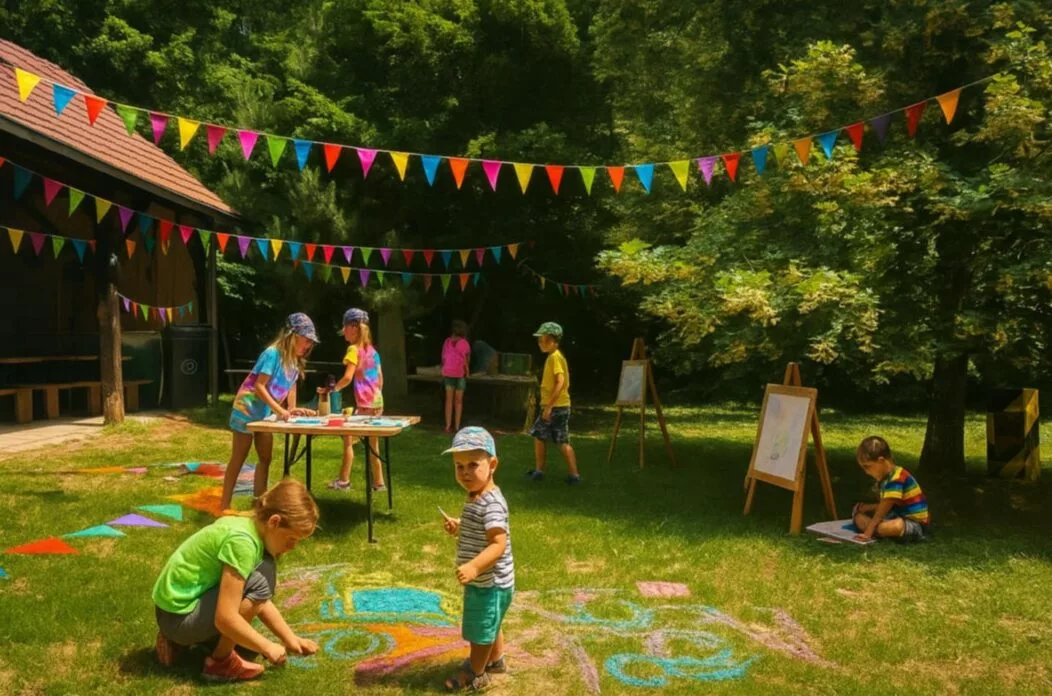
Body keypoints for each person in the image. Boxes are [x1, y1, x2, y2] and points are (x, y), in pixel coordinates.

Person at [153, 479, 321, 681]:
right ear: (274, 522)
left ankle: (184, 641)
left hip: (172, 612)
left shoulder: (246, 524)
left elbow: (259, 600)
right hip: (179, 620)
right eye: (291, 538)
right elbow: (225, 618)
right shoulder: (243, 544)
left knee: (260, 579)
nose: (292, 547)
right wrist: (267, 647)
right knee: (263, 575)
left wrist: (289, 638)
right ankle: (220, 663)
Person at [440, 427, 514, 691]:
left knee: (481, 630)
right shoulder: (477, 495)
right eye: (459, 466)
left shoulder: (491, 503)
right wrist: (460, 526)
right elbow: (481, 529)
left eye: (473, 464)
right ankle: (496, 661)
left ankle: (476, 673)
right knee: (491, 621)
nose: (465, 472)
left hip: (490, 582)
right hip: (489, 582)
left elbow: (498, 544)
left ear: (492, 465)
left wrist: (473, 566)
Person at [221, 313, 319, 511]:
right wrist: (280, 410)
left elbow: (291, 387)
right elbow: (259, 386)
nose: (308, 345)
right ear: (293, 335)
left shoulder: (295, 361)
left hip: (265, 414)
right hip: (246, 409)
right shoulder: (272, 354)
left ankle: (259, 504)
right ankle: (224, 505)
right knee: (239, 457)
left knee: (265, 458)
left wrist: (292, 409)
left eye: (311, 342)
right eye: (306, 340)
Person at [328, 308, 386, 491]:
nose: (344, 331)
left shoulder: (353, 349)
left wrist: (334, 389)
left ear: (354, 328)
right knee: (373, 445)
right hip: (377, 403)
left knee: (348, 438)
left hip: (364, 405)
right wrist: (376, 396)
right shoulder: (373, 351)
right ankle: (379, 483)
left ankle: (343, 480)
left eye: (345, 327)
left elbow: (347, 377)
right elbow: (380, 378)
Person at [525, 321, 581, 484]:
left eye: (546, 340)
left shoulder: (555, 357)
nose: (542, 343)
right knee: (556, 439)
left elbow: (560, 381)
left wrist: (549, 407)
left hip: (555, 407)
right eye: (540, 340)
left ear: (555, 342)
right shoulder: (555, 356)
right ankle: (573, 475)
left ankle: (540, 471)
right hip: (561, 405)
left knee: (541, 436)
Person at [852, 435, 930, 542]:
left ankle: (877, 530)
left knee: (897, 525)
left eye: (867, 466)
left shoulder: (896, 479)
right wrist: (866, 508)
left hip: (914, 525)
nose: (866, 472)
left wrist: (868, 532)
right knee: (858, 518)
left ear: (881, 461)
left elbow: (882, 511)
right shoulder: (886, 478)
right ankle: (881, 530)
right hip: (894, 516)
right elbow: (887, 506)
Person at [442, 320, 472, 433]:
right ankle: (456, 426)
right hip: (459, 375)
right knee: (458, 401)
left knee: (449, 400)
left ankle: (449, 425)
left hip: (450, 374)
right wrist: (467, 372)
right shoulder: (464, 343)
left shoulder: (447, 342)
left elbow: (443, 358)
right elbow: (467, 359)